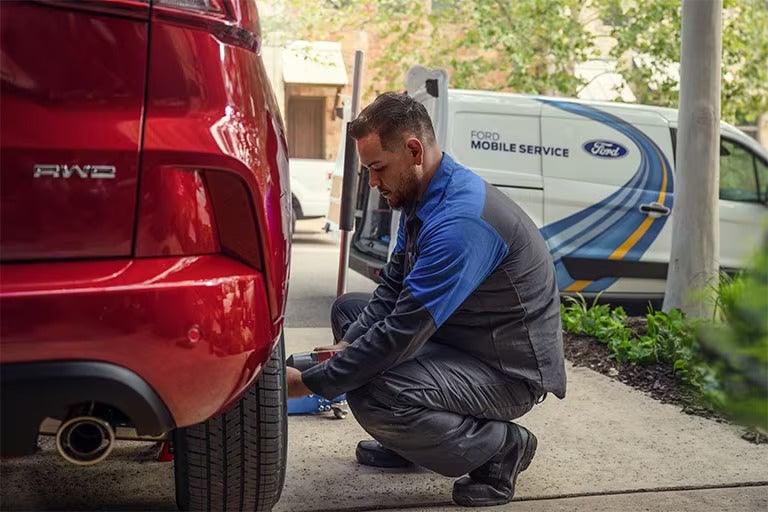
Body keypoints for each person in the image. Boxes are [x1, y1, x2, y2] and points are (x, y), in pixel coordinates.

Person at [286, 92, 566, 507]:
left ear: (414, 150)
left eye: (378, 168)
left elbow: (403, 332)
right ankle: (414, 442)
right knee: (350, 313)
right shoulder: (425, 196)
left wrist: (310, 382)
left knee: (372, 388)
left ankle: (501, 447)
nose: (374, 183)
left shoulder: (461, 221)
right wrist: (347, 346)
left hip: (506, 371)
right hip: (458, 340)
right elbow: (391, 292)